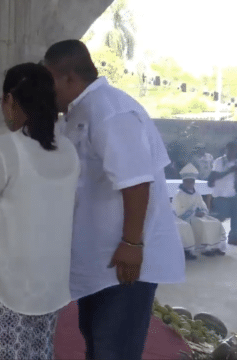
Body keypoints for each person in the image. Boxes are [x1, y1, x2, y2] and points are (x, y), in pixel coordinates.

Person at [44, 40, 185, 360]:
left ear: (68, 77)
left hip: (124, 266)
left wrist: (132, 244)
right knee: (98, 348)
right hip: (99, 262)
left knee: (114, 352)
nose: (44, 90)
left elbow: (136, 183)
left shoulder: (110, 110)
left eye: (48, 80)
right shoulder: (77, 112)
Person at [0, 62, 80, 359]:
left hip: (8, 287)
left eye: (2, 100)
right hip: (50, 284)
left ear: (11, 99)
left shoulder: (2, 148)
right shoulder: (67, 150)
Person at [173, 163, 226, 259]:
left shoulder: (196, 193)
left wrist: (202, 212)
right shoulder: (179, 195)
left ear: (194, 182)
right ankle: (204, 249)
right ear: (183, 182)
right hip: (186, 217)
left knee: (216, 222)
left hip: (198, 215)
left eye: (191, 182)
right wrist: (194, 213)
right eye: (187, 182)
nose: (189, 184)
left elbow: (202, 205)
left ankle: (215, 247)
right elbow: (178, 211)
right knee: (201, 223)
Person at [208, 141, 237, 246]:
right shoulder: (219, 161)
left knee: (236, 217)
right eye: (231, 150)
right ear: (227, 150)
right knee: (220, 217)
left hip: (233, 194)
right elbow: (214, 176)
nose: (233, 152)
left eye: (235, 150)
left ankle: (233, 238)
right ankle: (212, 239)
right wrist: (229, 171)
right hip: (220, 195)